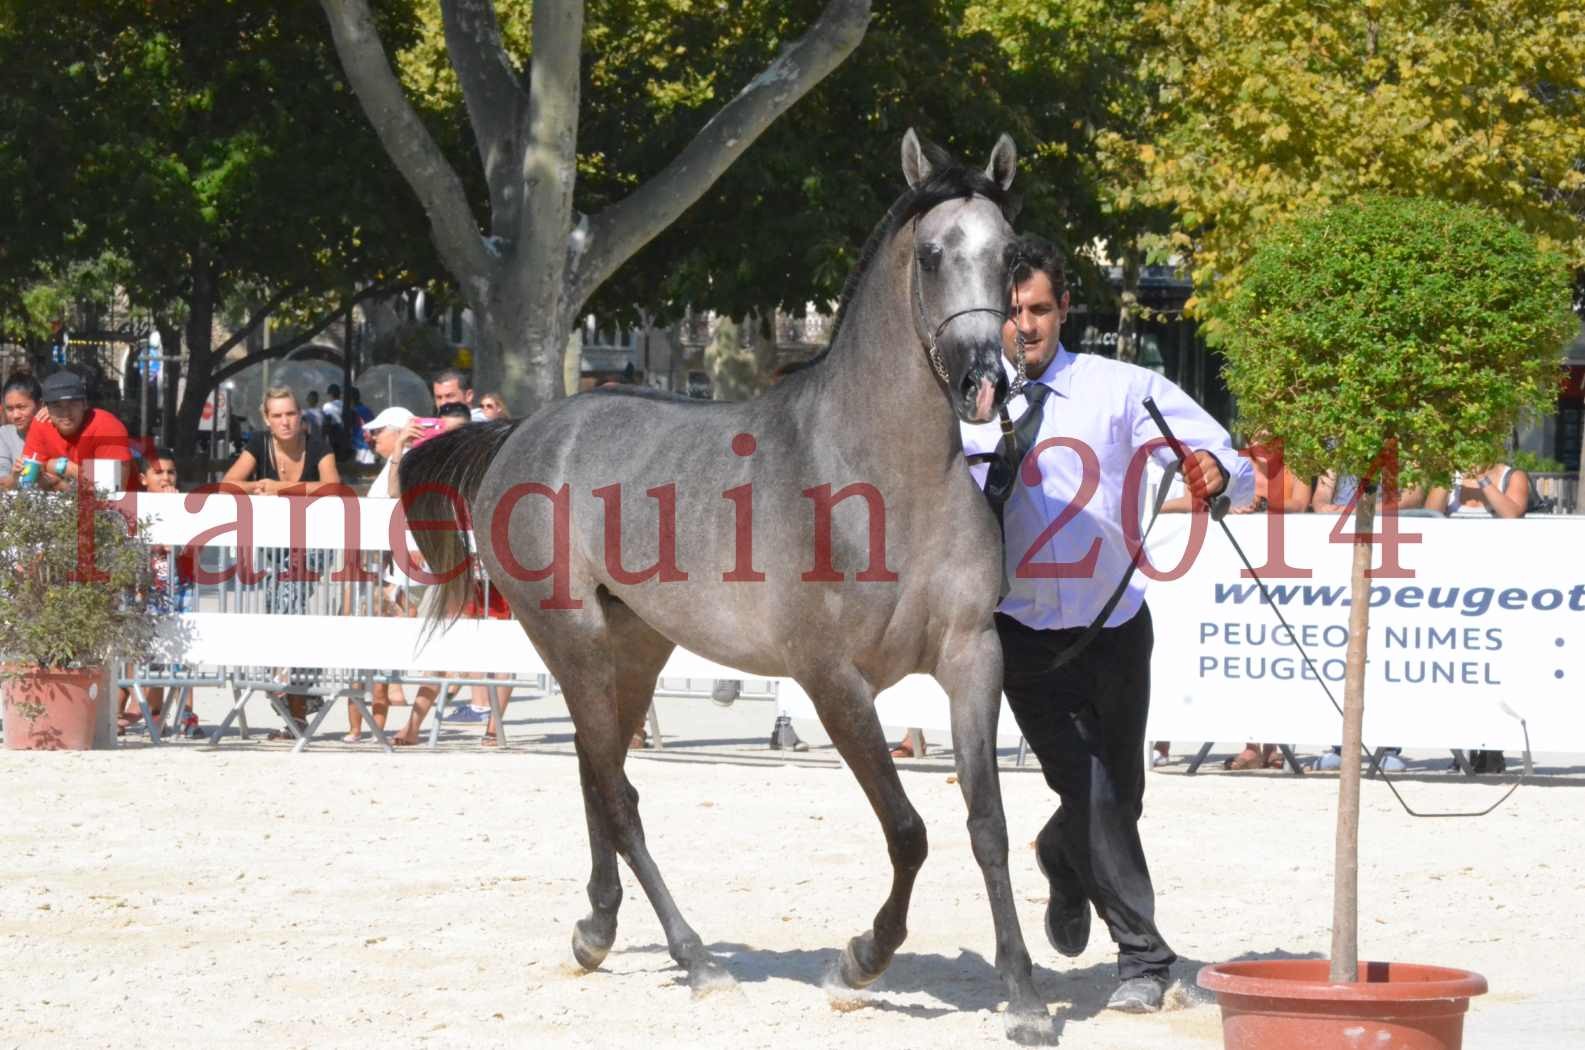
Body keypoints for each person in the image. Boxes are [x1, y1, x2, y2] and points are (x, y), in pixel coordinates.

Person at [960, 235, 1253, 1013]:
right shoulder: (962, 410)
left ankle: (1060, 855)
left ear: (1062, 311)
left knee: (1119, 798)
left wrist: (1217, 472)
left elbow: (1227, 458)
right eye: (1011, 312)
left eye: (1038, 310)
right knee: (1088, 787)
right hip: (1020, 639)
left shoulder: (1120, 389)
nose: (1024, 326)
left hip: (1117, 626)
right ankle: (1143, 960)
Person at [222, 387, 343, 738]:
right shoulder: (259, 444)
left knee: (289, 602)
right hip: (275, 543)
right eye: (277, 416)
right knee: (281, 610)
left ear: (300, 416)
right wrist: (260, 486)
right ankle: (297, 705)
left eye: (290, 414)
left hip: (313, 540)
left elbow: (333, 487)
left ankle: (282, 675)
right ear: (267, 420)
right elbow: (228, 484)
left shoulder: (317, 443)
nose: (285, 421)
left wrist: (283, 489)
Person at [1424, 462, 1530, 773]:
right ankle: (1463, 751)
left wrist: (1482, 480)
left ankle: (1492, 751)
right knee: (1459, 670)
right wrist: (1448, 477)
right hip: (1455, 587)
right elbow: (1431, 515)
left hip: (1499, 588)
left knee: (1496, 671)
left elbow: (1511, 513)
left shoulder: (1512, 476)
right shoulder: (1451, 475)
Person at [21, 371, 134, 492]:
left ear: (85, 404)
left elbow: (111, 492)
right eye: (57, 405)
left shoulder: (107, 426)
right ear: (45, 408)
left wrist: (63, 469)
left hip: (121, 508)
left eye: (72, 404)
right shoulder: (41, 423)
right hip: (60, 506)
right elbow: (28, 479)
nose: (65, 413)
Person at [0, 371, 48, 490]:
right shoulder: (4, 434)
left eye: (21, 407)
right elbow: (2, 482)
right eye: (10, 409)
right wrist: (14, 476)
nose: (16, 415)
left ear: (39, 405)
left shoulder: (54, 427)